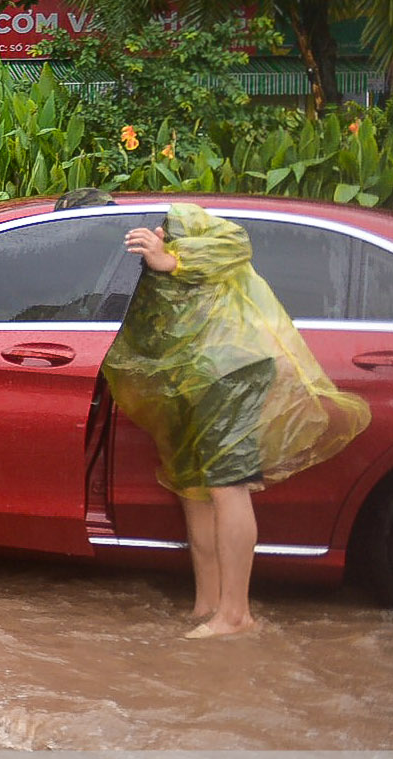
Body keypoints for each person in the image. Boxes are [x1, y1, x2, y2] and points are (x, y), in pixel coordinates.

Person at [103, 202, 370, 639]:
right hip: (194, 377)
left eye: (168, 229)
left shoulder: (212, 246)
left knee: (227, 485)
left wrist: (171, 258)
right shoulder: (181, 282)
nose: (158, 233)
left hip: (232, 373)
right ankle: (208, 603)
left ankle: (236, 615)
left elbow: (233, 244)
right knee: (193, 488)